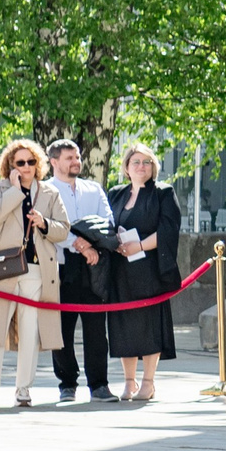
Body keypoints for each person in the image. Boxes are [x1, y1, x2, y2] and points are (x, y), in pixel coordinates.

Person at [0, 140, 67, 406]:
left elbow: (64, 229)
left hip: (37, 269)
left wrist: (44, 223)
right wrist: (15, 191)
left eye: (30, 162)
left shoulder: (49, 192)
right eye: (20, 163)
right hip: (4, 267)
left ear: (39, 164)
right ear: (10, 166)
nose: (26, 167)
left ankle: (23, 388)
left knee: (29, 330)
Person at [106, 143, 182, 402]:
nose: (141, 166)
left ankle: (148, 383)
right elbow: (106, 226)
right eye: (136, 162)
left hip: (150, 269)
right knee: (123, 326)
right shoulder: (115, 194)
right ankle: (129, 382)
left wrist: (138, 245)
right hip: (121, 270)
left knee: (150, 326)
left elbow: (168, 231)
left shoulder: (163, 193)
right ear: (126, 167)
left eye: (146, 162)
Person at [47, 140, 115, 401]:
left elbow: (107, 221)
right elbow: (47, 227)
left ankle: (99, 384)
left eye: (77, 157)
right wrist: (77, 243)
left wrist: (89, 243)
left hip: (94, 263)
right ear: (54, 161)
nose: (76, 162)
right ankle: (67, 384)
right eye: (69, 158)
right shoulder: (45, 190)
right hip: (62, 265)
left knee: (97, 328)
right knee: (62, 328)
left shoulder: (93, 189)